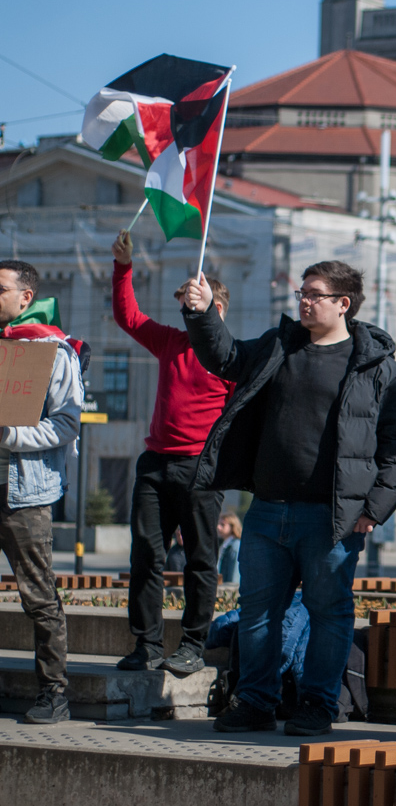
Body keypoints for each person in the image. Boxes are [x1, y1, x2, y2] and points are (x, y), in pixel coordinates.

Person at [180, 260, 396, 736]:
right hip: (266, 511)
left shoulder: (381, 371)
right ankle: (256, 702)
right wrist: (203, 315)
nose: (303, 301)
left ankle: (317, 705)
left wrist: (374, 511)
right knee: (257, 614)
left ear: (342, 304)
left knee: (329, 614)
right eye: (301, 293)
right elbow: (224, 357)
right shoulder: (277, 347)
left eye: (314, 294)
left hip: (334, 519)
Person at [111, 230, 235, 674]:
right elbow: (128, 317)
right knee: (145, 554)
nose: (184, 313)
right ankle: (145, 644)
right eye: (182, 306)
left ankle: (192, 647)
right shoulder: (169, 343)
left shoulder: (231, 358)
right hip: (155, 463)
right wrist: (123, 267)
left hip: (201, 469)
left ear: (215, 308)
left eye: (192, 304)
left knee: (201, 560)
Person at [0, 260, 82, 723]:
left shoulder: (52, 351)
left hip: (24, 494)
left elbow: (66, 425)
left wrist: (7, 435)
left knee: (38, 596)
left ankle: (54, 693)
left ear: (25, 298)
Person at [217, 511, 242, 585]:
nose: (218, 527)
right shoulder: (224, 544)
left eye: (222, 525)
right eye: (218, 524)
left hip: (229, 591)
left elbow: (234, 574)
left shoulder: (235, 545)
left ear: (232, 526)